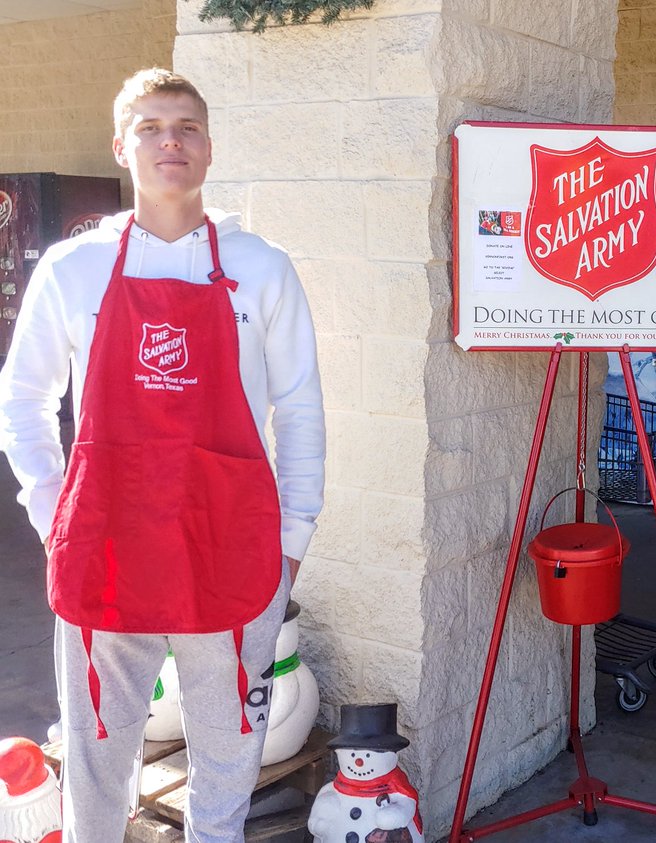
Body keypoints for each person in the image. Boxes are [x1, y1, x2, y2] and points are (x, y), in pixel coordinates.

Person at [0, 68, 325, 842]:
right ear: (122, 145)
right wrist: (55, 517)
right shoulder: (72, 268)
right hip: (106, 551)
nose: (169, 140)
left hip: (231, 550)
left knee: (228, 762)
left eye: (185, 127)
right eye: (150, 127)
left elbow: (301, 408)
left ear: (209, 148)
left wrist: (293, 541)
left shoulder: (262, 267)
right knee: (96, 763)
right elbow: (22, 402)